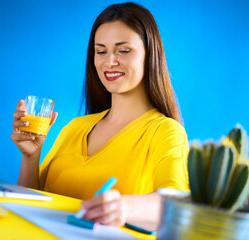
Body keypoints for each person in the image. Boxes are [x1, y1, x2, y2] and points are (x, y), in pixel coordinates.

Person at [11, 2, 189, 229]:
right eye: (101, 51)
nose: (109, 61)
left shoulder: (165, 132)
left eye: (123, 50)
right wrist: (30, 158)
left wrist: (124, 208)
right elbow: (30, 205)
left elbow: (175, 205)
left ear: (150, 55)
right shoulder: (75, 128)